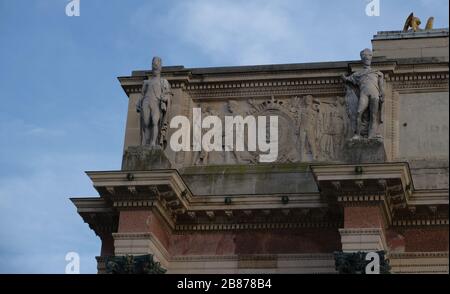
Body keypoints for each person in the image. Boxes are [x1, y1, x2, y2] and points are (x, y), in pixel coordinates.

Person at [136, 57, 172, 147]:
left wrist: (165, 98)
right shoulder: (146, 82)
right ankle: (146, 142)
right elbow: (142, 94)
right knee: (146, 123)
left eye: (156, 64)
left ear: (160, 67)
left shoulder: (163, 82)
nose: (155, 66)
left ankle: (153, 142)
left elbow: (168, 94)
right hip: (146, 102)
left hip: (156, 102)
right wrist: (138, 103)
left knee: (155, 122)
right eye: (153, 64)